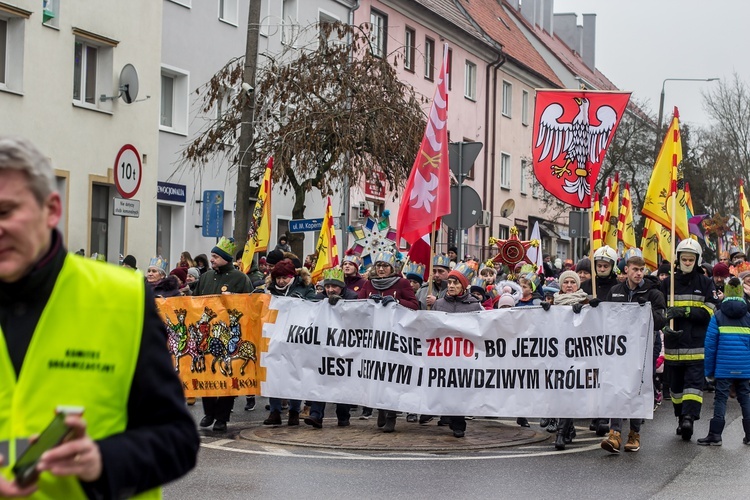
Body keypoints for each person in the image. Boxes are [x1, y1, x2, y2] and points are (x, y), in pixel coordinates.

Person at [0, 136, 198, 497]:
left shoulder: (121, 297)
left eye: (5, 212)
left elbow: (178, 440)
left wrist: (102, 462)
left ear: (52, 209)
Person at [598, 255, 667, 453]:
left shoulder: (653, 293)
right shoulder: (615, 291)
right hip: (621, 347)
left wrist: (645, 310)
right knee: (617, 386)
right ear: (626, 270)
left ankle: (634, 434)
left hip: (645, 347)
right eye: (635, 269)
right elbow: (606, 317)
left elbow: (661, 321)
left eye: (641, 269)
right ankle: (615, 433)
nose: (638, 273)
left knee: (638, 387)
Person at [660, 238, 718, 441]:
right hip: (673, 346)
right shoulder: (668, 283)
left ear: (698, 260)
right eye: (683, 258)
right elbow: (659, 312)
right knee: (675, 388)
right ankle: (680, 417)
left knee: (693, 386)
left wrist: (684, 311)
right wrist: (665, 325)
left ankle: (689, 418)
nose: (686, 262)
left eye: (690, 259)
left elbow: (710, 311)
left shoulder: (705, 282)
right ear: (677, 259)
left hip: (695, 345)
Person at [194, 236, 252, 432]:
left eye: (215, 257)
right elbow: (194, 303)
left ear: (225, 258)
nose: (212, 260)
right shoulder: (205, 277)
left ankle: (222, 417)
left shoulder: (240, 278)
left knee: (227, 375)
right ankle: (209, 412)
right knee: (206, 374)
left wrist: (234, 299)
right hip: (208, 333)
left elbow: (250, 305)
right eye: (211, 256)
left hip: (229, 335)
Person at [358, 251, 419, 432]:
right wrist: (369, 301)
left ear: (392, 268)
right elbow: (358, 304)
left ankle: (391, 414)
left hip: (394, 337)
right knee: (376, 375)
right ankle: (381, 409)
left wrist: (396, 301)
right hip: (374, 338)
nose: (381, 269)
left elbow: (414, 305)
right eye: (379, 266)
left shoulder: (402, 283)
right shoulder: (369, 284)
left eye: (385, 266)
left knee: (391, 376)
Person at [431, 263, 483, 437]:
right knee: (445, 387)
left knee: (459, 387)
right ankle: (449, 416)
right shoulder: (438, 304)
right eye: (450, 282)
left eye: (456, 283)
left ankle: (459, 423)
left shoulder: (474, 305)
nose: (451, 286)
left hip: (463, 356)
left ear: (463, 286)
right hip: (443, 354)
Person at [263, 258, 316, 426]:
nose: (281, 281)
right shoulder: (270, 290)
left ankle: (294, 411)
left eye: (284, 278)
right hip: (274, 337)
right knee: (274, 374)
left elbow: (314, 305)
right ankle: (275, 411)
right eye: (278, 278)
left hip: (296, 338)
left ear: (292, 276)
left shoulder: (305, 288)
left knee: (295, 375)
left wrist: (300, 301)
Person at [304, 268, 359, 429]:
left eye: (333, 287)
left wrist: (340, 305)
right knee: (319, 379)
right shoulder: (318, 298)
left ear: (341, 287)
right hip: (323, 346)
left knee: (342, 382)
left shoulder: (353, 297)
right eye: (327, 287)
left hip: (345, 347)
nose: (329, 290)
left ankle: (343, 416)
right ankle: (316, 414)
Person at [698, 277, 750, 446]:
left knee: (720, 399)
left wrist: (709, 371)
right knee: (745, 398)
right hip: (744, 366)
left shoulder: (718, 315)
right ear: (741, 292)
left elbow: (710, 345)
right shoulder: (748, 315)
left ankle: (715, 435)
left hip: (724, 366)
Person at [551, 270, 589, 450]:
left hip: (577, 355)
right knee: (560, 393)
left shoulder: (585, 301)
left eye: (572, 282)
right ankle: (568, 427)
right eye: (565, 282)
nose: (568, 285)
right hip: (556, 354)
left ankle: (561, 432)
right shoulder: (552, 302)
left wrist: (588, 311)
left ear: (577, 285)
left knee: (569, 391)